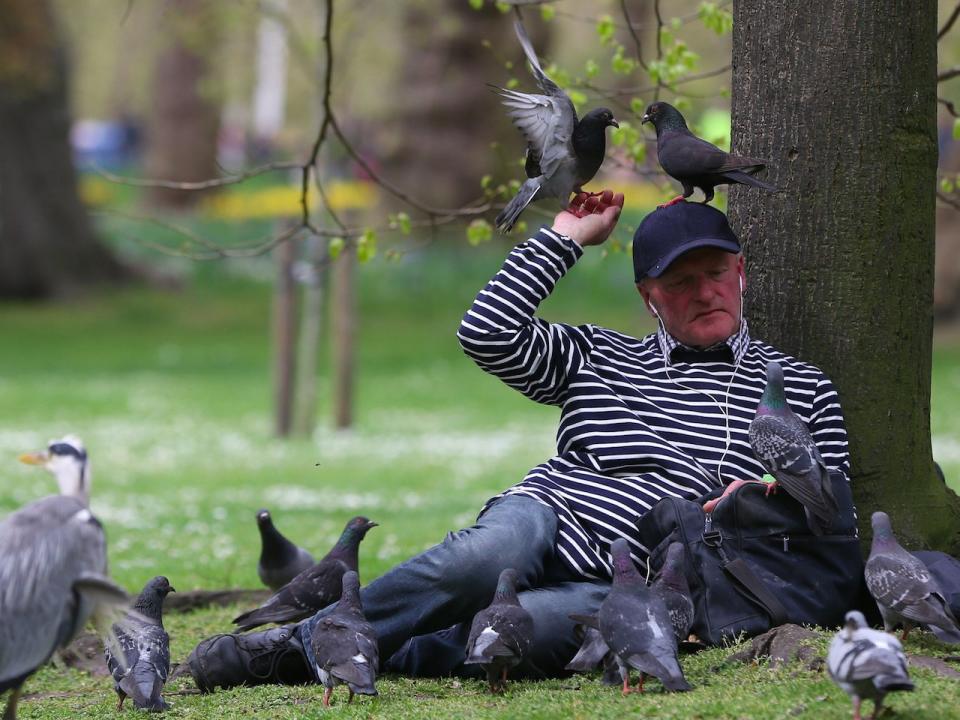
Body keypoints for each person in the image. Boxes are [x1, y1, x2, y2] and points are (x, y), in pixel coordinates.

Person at [186, 192, 851, 689]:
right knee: (480, 560)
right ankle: (286, 647)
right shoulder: (598, 354)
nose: (705, 294)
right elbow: (488, 333)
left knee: (515, 635)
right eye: (681, 283)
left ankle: (325, 659)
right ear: (651, 297)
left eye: (716, 275)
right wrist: (565, 235)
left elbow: (830, 515)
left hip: (640, 577)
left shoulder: (798, 384)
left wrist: (760, 501)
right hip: (552, 516)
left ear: (741, 273)